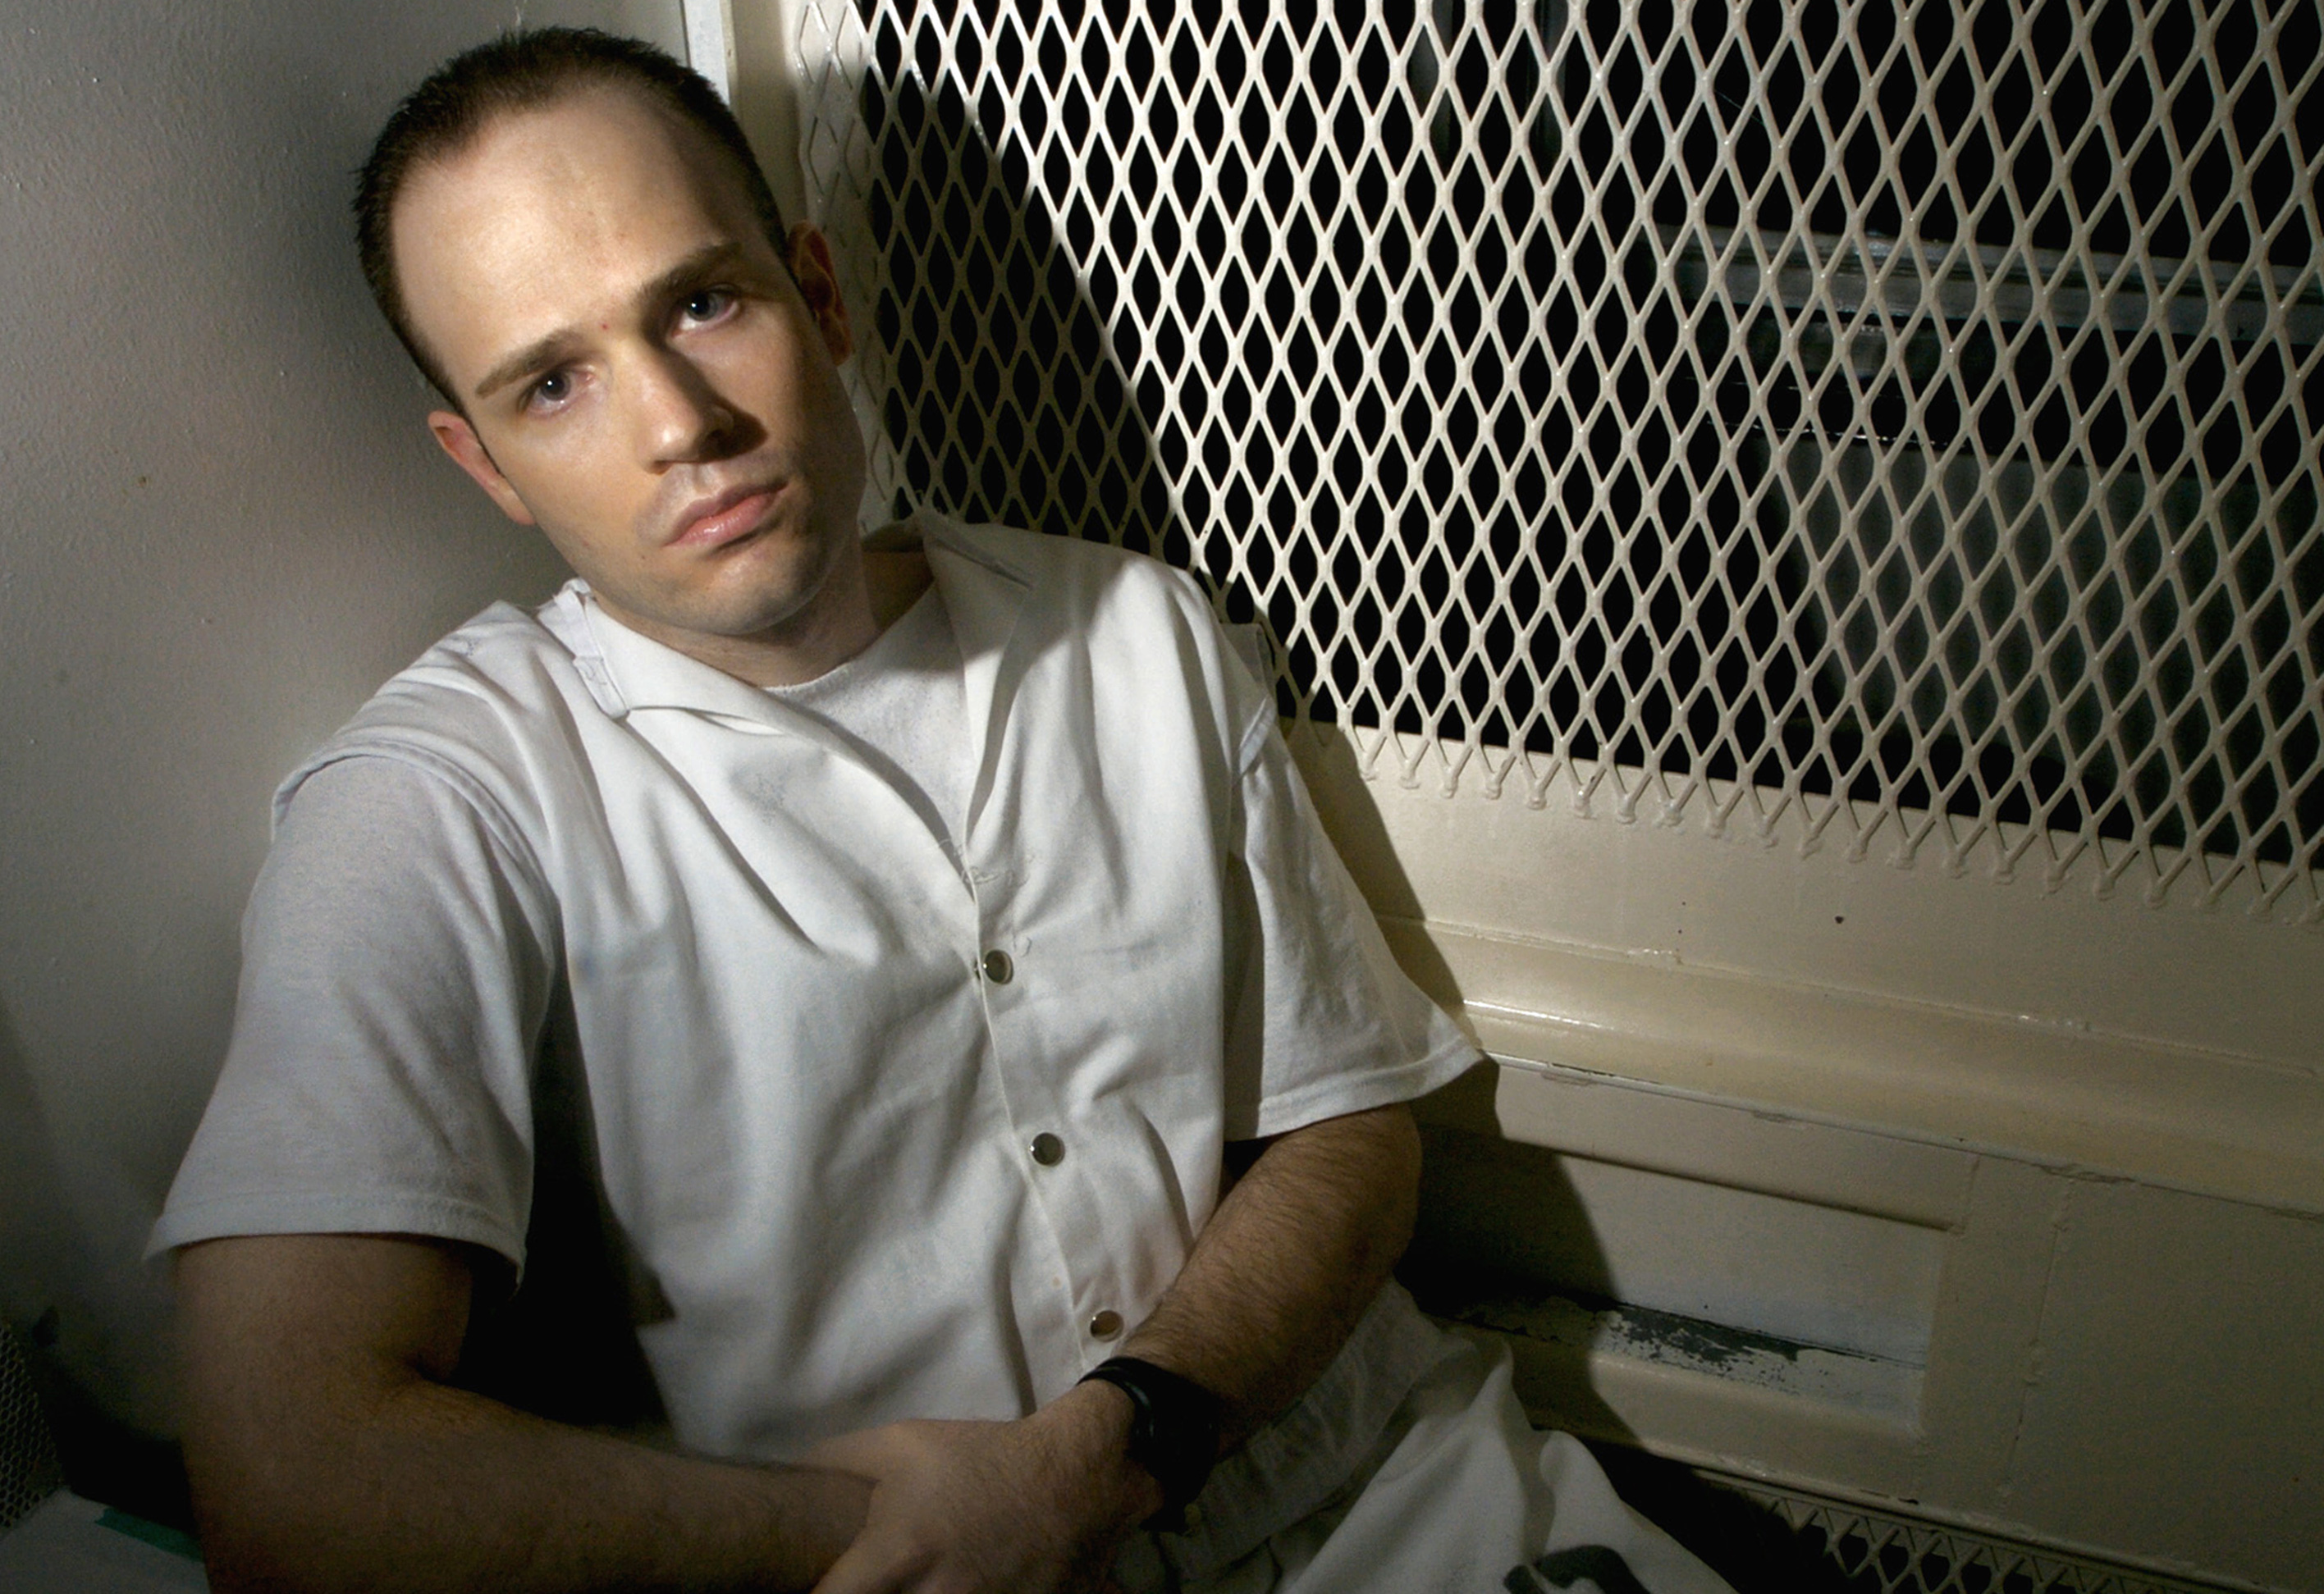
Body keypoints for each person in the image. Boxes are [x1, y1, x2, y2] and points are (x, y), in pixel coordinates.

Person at [151, 28, 1732, 1594]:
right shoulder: (440, 808)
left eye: (703, 302)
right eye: (553, 383)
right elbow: (296, 1488)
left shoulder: (1133, 630)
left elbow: (1349, 1129)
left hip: (1380, 1489)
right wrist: (956, 1539)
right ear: (484, 465)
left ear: (819, 297)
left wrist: (1105, 1459)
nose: (675, 422)